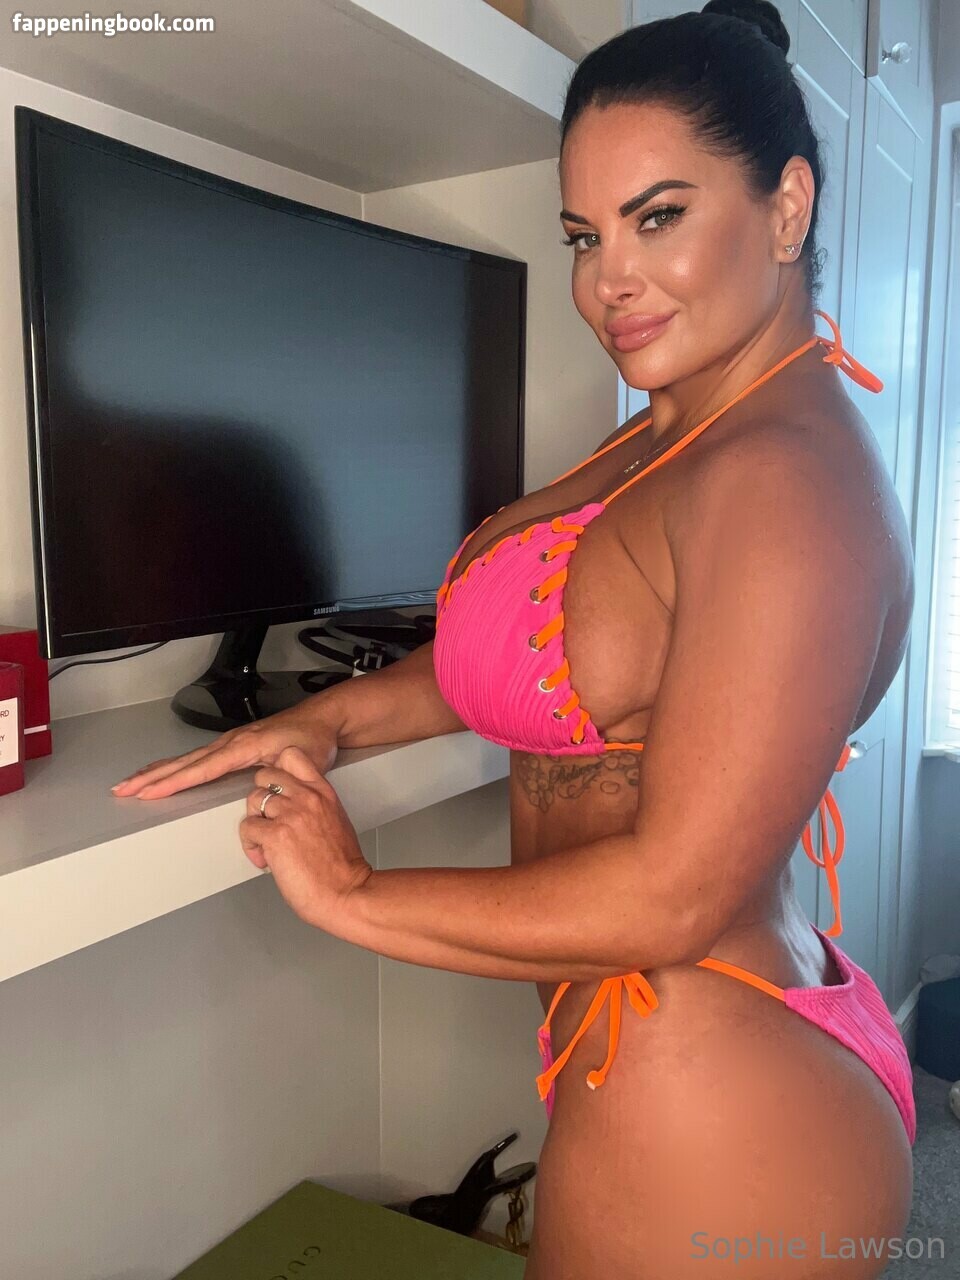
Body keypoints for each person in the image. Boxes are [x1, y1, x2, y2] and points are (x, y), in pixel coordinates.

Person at [111, 2, 917, 1274]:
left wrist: (354, 894)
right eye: (585, 236)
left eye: (659, 217)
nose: (609, 280)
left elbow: (675, 892)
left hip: (718, 1101)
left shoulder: (781, 480)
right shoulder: (679, 423)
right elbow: (543, 653)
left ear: (786, 207)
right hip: (660, 1045)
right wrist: (321, 720)